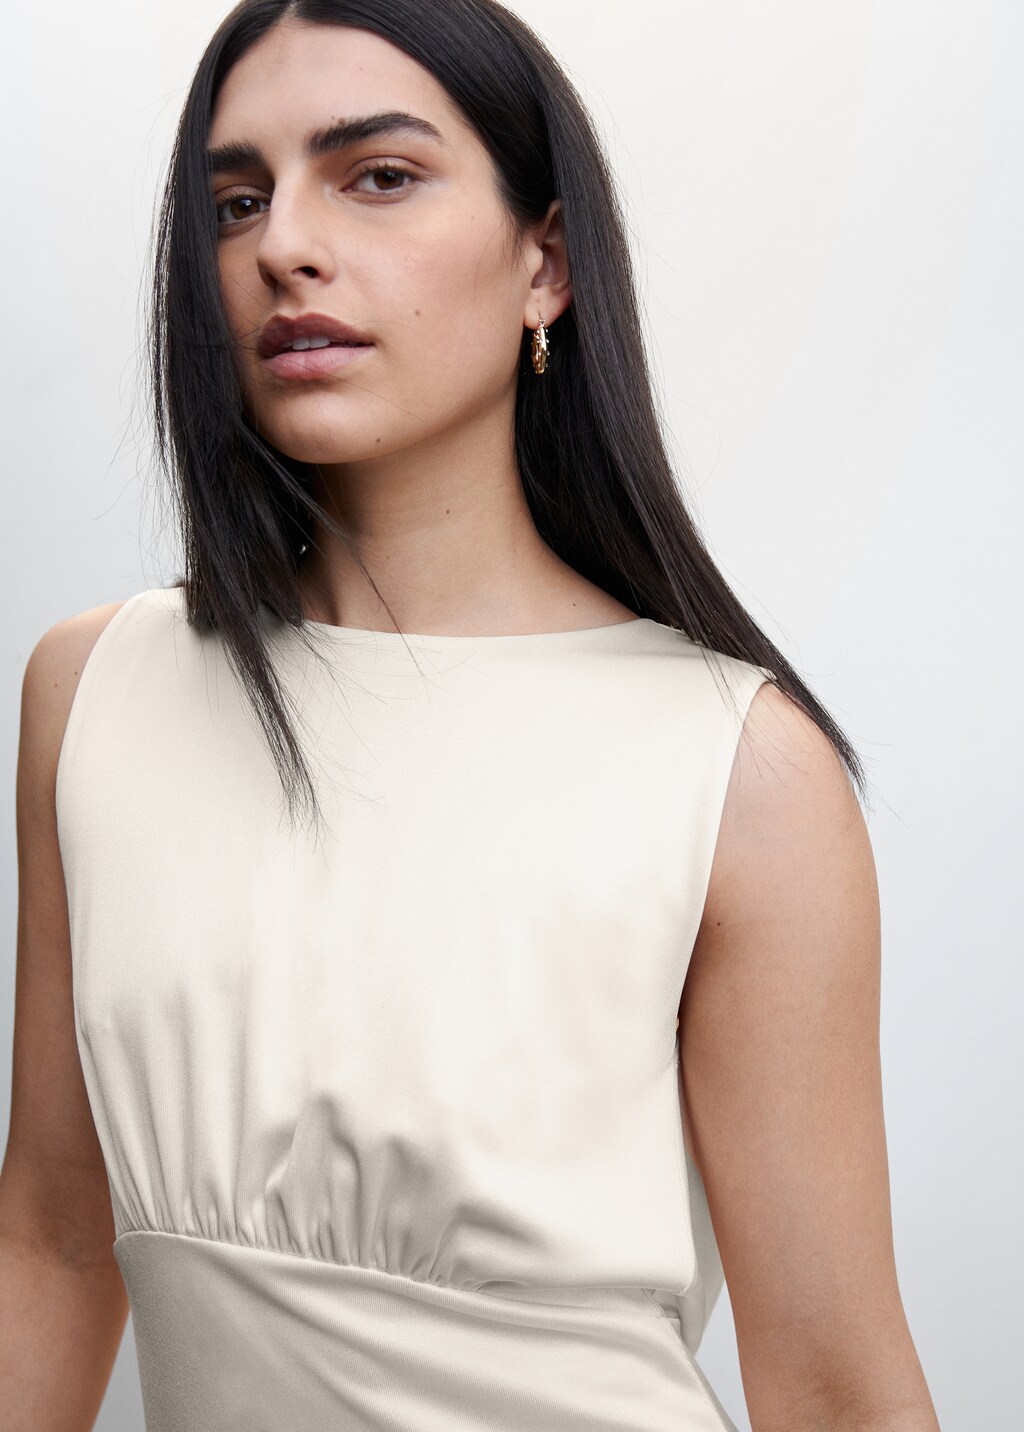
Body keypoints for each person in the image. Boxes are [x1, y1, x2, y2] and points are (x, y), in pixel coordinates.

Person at [1, 1, 941, 1428]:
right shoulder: (94, 694)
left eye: (377, 176)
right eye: (237, 200)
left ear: (544, 263)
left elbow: (832, 1375)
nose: (283, 246)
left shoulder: (736, 766)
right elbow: (54, 1245)